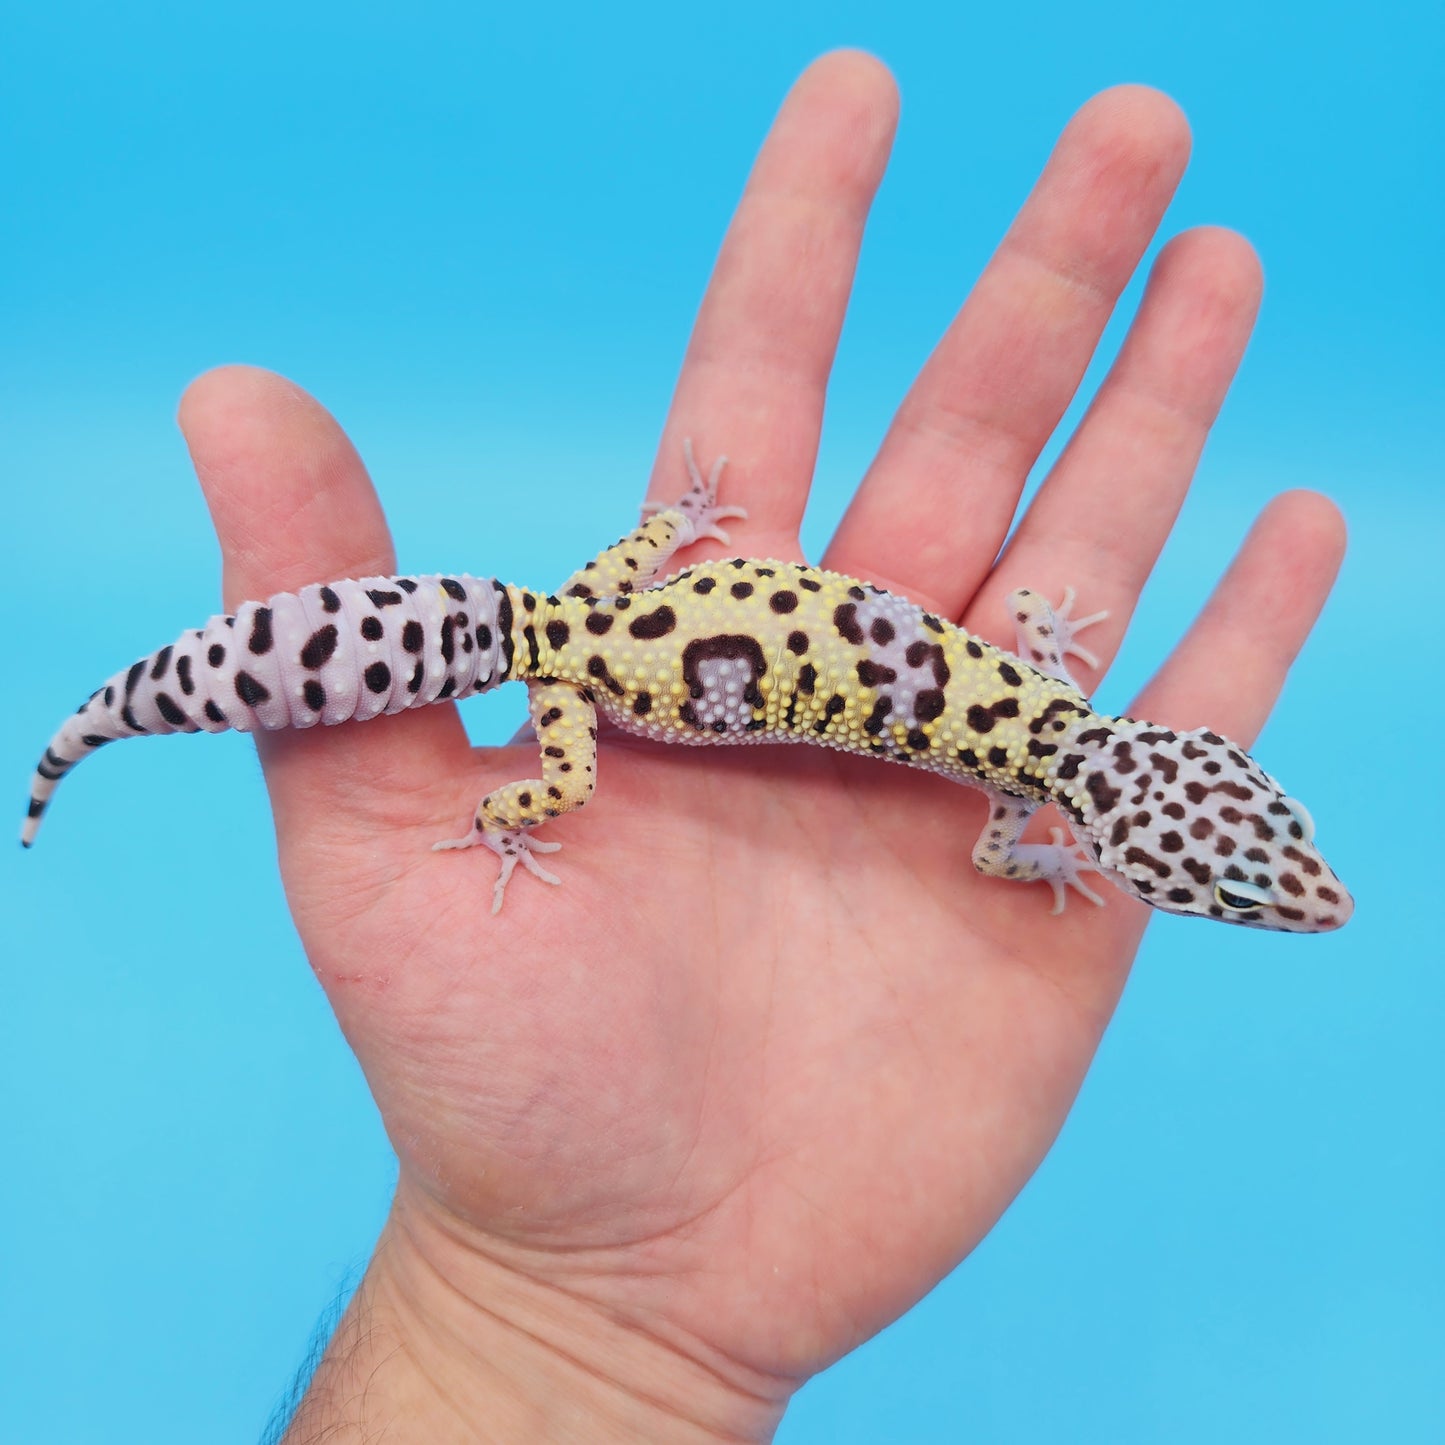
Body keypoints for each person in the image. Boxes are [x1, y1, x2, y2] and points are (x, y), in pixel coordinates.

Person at [179, 51, 1345, 1442]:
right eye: (1258, 873)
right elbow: (998, 837)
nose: (1290, 889)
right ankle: (493, 797)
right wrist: (1037, 862)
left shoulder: (1042, 702)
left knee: (592, 638)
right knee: (556, 782)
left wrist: (668, 535)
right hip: (608, 680)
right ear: (1153, 800)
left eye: (1254, 875)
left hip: (608, 608)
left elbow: (1025, 641)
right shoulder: (1019, 783)